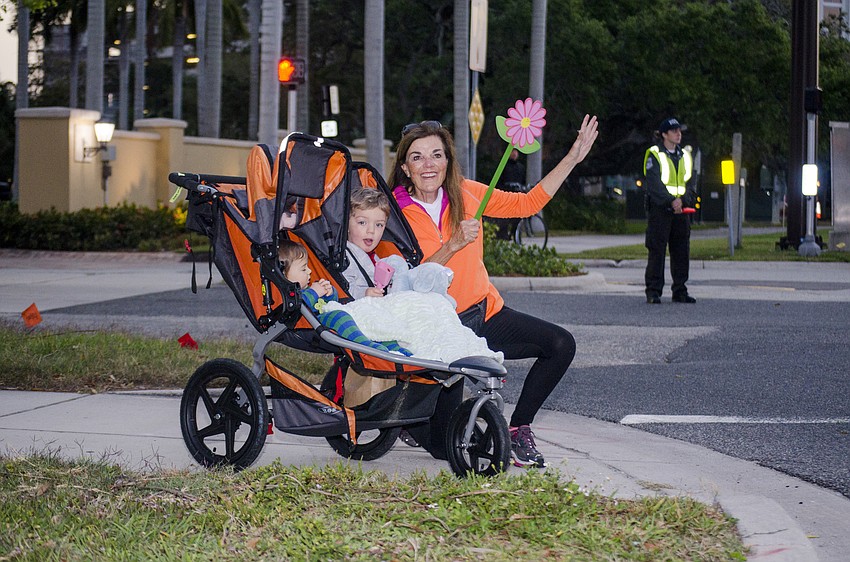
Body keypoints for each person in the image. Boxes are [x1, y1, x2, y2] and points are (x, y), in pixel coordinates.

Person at [390, 116, 598, 467]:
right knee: (447, 448)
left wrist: (572, 158)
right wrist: (453, 245)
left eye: (437, 155)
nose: (429, 165)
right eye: (418, 157)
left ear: (448, 161)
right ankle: (410, 420)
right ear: (405, 167)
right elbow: (403, 281)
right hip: (437, 330)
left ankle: (518, 430)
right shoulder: (392, 212)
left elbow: (527, 203)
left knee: (560, 344)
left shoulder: (468, 193)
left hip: (483, 313)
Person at [278, 239, 411, 356]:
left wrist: (330, 294)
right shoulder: (286, 297)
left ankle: (394, 346)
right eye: (303, 269)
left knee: (369, 314)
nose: (309, 271)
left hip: (324, 318)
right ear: (283, 274)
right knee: (340, 316)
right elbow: (298, 306)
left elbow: (329, 305)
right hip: (307, 325)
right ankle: (365, 345)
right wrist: (314, 292)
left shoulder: (307, 289)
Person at [642, 117, 698, 304]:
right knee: (657, 250)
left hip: (682, 210)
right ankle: (653, 291)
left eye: (679, 130)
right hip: (660, 210)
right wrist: (670, 201)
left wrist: (682, 200)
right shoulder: (654, 154)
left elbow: (690, 183)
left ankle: (680, 290)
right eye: (674, 131)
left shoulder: (686, 155)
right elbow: (654, 183)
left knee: (681, 250)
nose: (678, 134)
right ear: (664, 134)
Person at [342, 188, 392, 299]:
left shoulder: (378, 257)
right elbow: (344, 287)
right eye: (362, 222)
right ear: (346, 224)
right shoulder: (344, 257)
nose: (371, 230)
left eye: (379, 225)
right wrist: (364, 293)